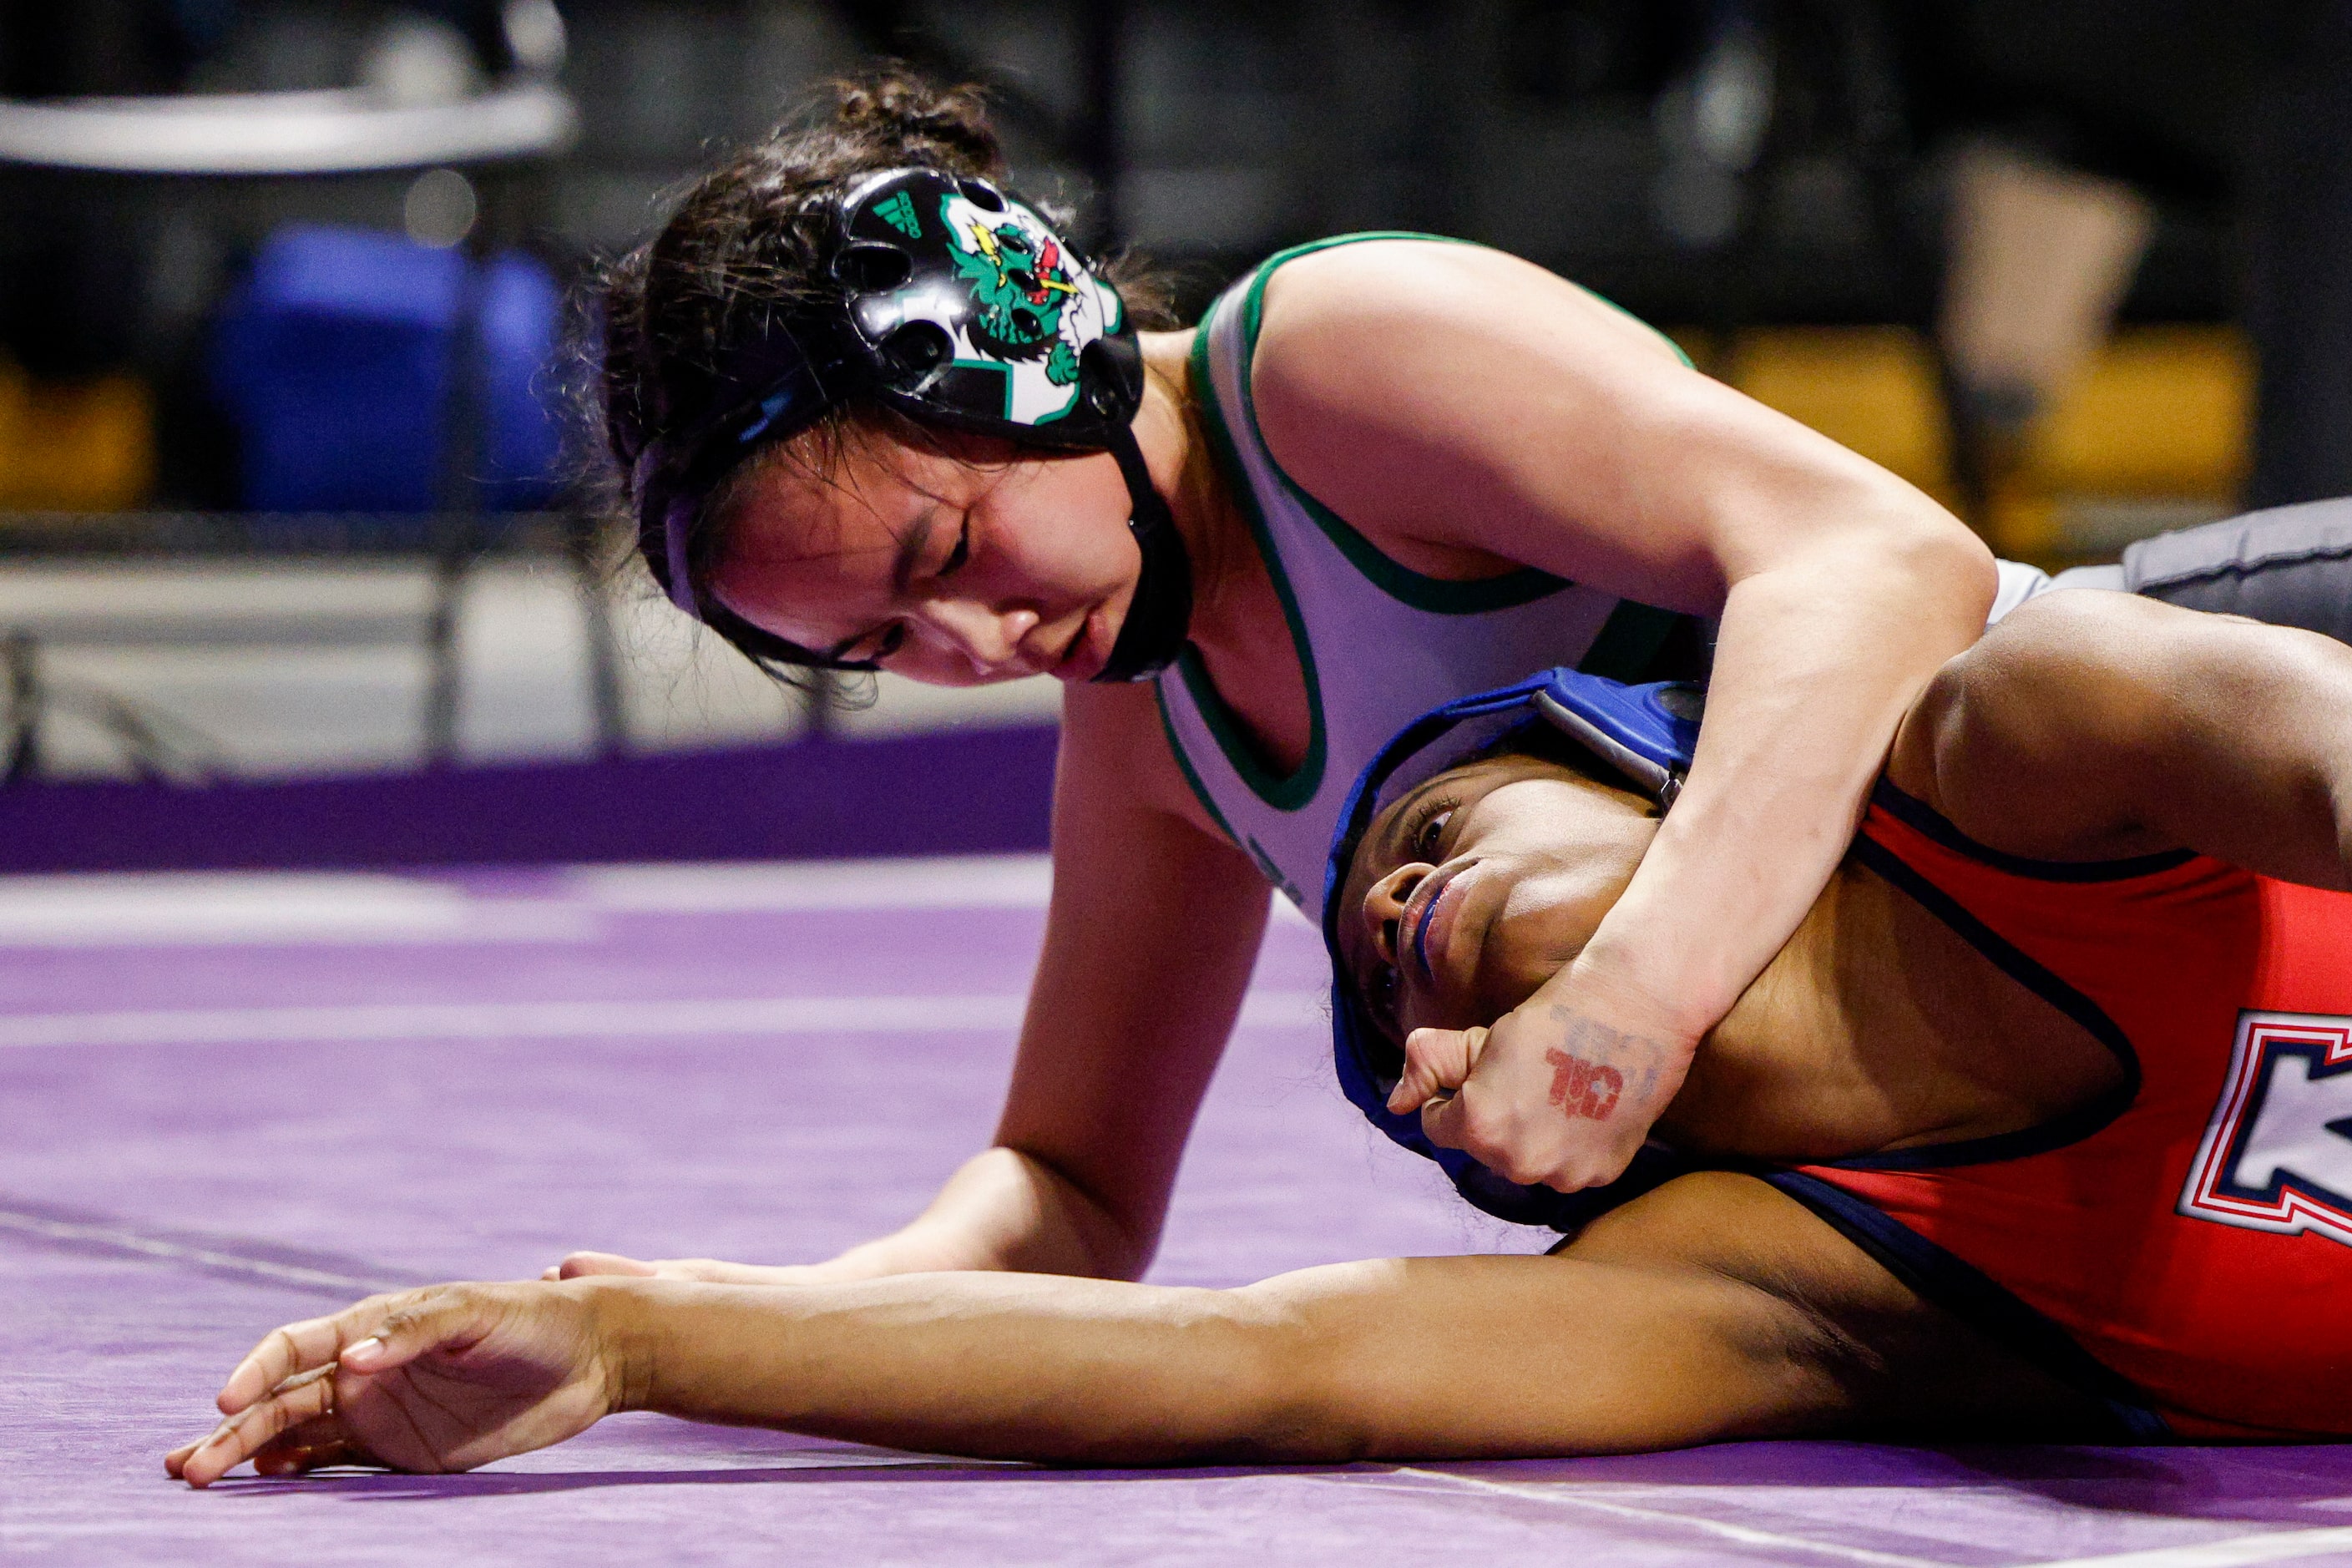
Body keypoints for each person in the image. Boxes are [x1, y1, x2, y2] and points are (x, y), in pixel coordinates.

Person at [166, 589, 2352, 1483]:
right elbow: (1258, 1358)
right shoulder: (1791, 1281)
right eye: (1380, 960)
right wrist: (642, 1334)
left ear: (1669, 785)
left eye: (1442, 827)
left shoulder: (2018, 750)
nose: (1391, 905)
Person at [569, 60, 2001, 1298]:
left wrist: (1634, 1000)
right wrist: (751, 1311)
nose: (983, 644)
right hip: (1973, 1095)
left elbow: (1878, 557)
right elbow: (1072, 1190)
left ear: (1028, 345)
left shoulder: (1333, 365)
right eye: (887, 645)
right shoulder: (1144, 715)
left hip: (2128, 784)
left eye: (952, 543)